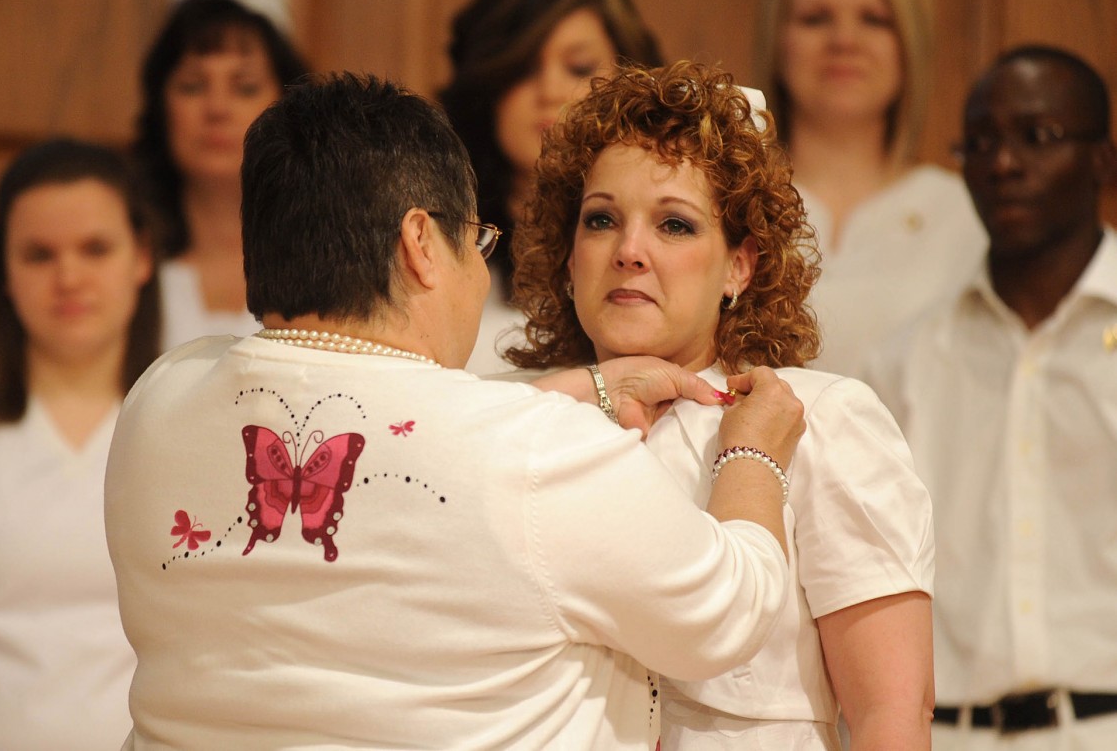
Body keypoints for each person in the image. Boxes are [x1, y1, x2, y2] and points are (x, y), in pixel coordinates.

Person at [104, 71, 809, 749]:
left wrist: (581, 390)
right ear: (420, 245)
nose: (479, 273)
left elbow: (386, 426)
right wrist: (755, 451)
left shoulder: (159, 398)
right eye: (475, 241)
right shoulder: (535, 452)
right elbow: (728, 610)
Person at [507, 60, 935, 750]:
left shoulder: (824, 418)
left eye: (674, 225)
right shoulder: (522, 426)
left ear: (740, 264)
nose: (629, 250)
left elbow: (894, 713)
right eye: (601, 220)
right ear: (567, 255)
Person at [866, 45, 1117, 749]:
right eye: (980, 143)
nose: (1003, 164)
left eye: (1037, 137)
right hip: (951, 733)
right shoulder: (903, 362)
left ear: (1102, 160)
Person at [0, 139, 159, 750]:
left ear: (141, 257)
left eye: (95, 249)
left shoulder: (195, 427)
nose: (68, 277)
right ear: (5, 274)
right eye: (39, 255)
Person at [753, 0, 985, 378]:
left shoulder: (967, 217)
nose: (844, 40)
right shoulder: (729, 200)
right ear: (778, 39)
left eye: (874, 19)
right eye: (816, 18)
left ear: (910, 42)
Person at [440, 0, 663, 374]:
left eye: (578, 67)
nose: (550, 90)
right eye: (522, 69)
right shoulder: (438, 237)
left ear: (632, 80)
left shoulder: (658, 244)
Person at [133, 0, 310, 350]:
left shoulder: (325, 260)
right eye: (193, 86)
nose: (217, 109)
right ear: (161, 107)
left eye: (244, 88)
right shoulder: (124, 259)